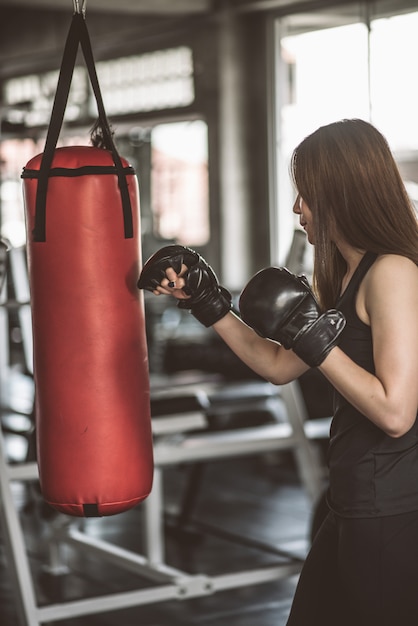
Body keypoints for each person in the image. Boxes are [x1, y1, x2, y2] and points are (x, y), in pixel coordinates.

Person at [138, 118, 418, 626]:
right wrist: (207, 300)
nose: (297, 209)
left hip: (391, 509)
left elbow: (396, 413)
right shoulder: (343, 276)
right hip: (351, 501)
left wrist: (313, 339)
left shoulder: (393, 272)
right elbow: (275, 364)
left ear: (342, 193)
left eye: (306, 196)